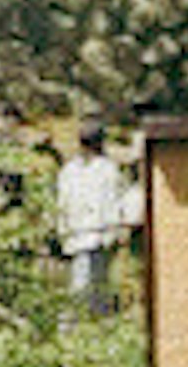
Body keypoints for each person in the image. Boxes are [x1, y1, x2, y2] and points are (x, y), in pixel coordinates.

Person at [54, 117, 139, 303]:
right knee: (85, 288)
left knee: (92, 288)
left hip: (93, 236)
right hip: (89, 235)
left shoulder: (79, 170)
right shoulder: (99, 169)